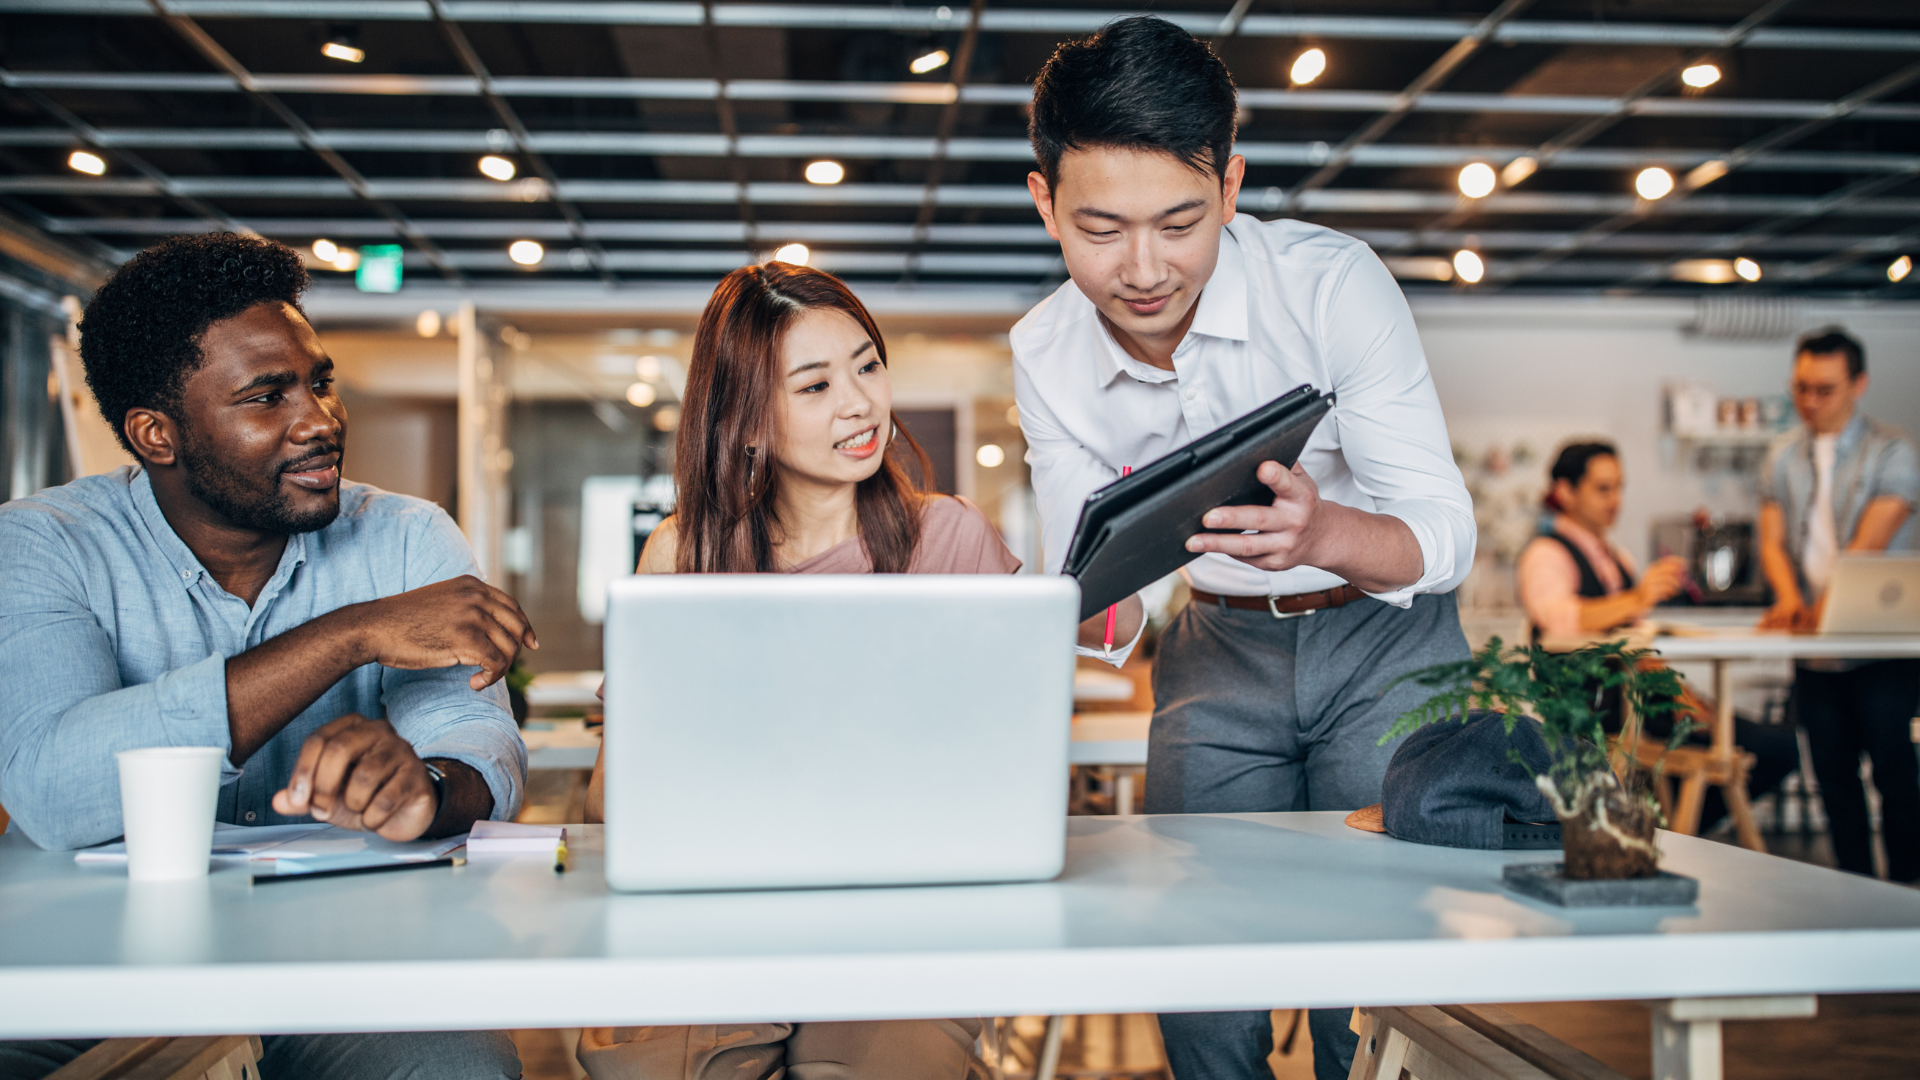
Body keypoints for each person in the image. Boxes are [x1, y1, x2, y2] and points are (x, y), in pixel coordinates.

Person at [1013, 18, 1475, 1080]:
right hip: (1216, 651)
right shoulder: (1045, 352)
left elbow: (1446, 535)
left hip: (1388, 643)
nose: (1142, 269)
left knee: (1368, 979)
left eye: (1180, 222)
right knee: (1194, 957)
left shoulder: (1330, 286)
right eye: (1100, 228)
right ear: (1044, 205)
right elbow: (1097, 595)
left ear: (1230, 188)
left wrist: (1323, 531)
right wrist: (1061, 609)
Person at [0, 234, 534, 1080]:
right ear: (156, 434)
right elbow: (53, 788)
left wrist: (424, 791)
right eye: (266, 397)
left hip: (347, 961)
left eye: (318, 381)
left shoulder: (407, 536)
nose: (319, 420)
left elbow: (475, 733)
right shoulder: (42, 543)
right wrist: (346, 635)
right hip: (91, 964)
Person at [577, 261, 1012, 1080]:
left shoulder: (950, 541)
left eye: (868, 366)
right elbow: (610, 799)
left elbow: (1002, 776)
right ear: (745, 420)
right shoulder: (683, 556)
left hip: (904, 911)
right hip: (720, 907)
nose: (860, 403)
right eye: (814, 386)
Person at [1517, 441, 1797, 831]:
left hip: (1639, 699)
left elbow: (1634, 640)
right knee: (1775, 748)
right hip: (1594, 707)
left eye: (1619, 487)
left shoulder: (1618, 556)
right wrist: (1638, 598)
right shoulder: (1545, 554)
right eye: (1603, 488)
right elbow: (1557, 621)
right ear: (1565, 492)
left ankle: (1669, 824)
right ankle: (1670, 827)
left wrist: (1679, 691)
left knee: (1772, 744)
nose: (1616, 499)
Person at [1755, 327, 1919, 881]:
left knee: (1895, 775)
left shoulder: (1891, 451)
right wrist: (1788, 598)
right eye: (1801, 388)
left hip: (1878, 643)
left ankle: (1906, 894)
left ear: (1858, 385)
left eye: (1824, 389)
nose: (1810, 402)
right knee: (1832, 776)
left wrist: (1817, 608)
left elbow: (1867, 545)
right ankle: (1852, 890)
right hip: (1813, 648)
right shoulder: (1782, 455)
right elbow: (1772, 539)